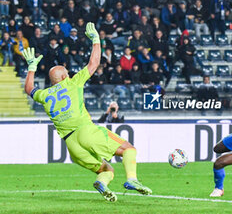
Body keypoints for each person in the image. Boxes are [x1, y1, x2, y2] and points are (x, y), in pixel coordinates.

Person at [23, 22, 151, 202]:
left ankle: (102, 184)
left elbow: (29, 88)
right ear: (64, 77)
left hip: (71, 145)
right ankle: (132, 179)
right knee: (129, 149)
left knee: (107, 170)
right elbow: (94, 63)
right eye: (66, 72)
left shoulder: (44, 95)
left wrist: (31, 67)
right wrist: (96, 40)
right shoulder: (72, 83)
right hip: (86, 131)